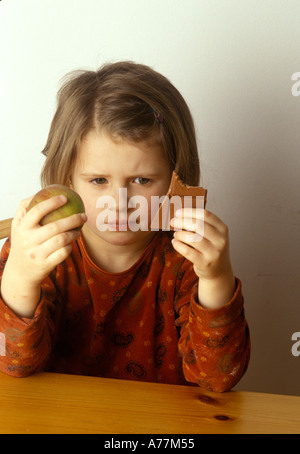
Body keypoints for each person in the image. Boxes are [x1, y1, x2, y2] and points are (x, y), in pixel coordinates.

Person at [0, 61, 250, 391]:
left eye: (142, 180)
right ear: (67, 179)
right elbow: (13, 363)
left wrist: (216, 277)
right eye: (99, 180)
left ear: (176, 179)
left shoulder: (187, 259)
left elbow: (218, 379)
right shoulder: (37, 250)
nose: (119, 202)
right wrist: (20, 277)